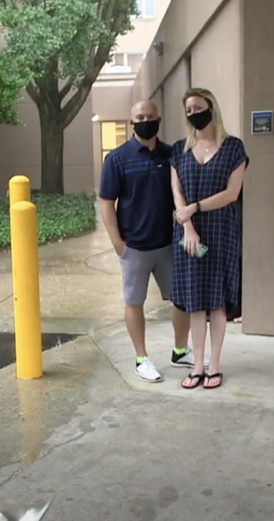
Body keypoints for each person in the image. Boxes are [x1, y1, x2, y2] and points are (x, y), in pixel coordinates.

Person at [98, 99, 196, 382]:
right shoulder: (117, 159)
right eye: (140, 116)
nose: (145, 120)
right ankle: (142, 358)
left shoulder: (172, 155)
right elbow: (106, 201)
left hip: (168, 244)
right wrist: (118, 242)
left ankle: (179, 350)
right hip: (135, 247)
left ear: (159, 119)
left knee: (180, 301)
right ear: (132, 122)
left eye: (150, 116)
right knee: (134, 302)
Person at [170, 87, 249, 390]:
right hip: (188, 235)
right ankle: (198, 365)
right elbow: (177, 193)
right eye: (189, 110)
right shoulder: (179, 150)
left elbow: (232, 194)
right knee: (194, 303)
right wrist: (188, 224)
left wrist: (197, 206)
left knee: (216, 302)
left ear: (211, 107)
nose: (194, 114)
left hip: (220, 230)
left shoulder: (234, 148)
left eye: (198, 108)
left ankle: (215, 364)